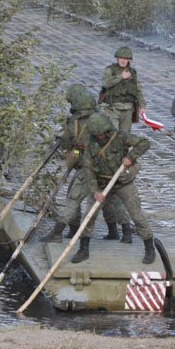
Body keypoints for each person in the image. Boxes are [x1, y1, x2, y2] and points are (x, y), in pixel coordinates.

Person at [46, 86, 133, 243]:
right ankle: (124, 231)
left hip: (87, 169)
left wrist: (74, 144)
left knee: (73, 198)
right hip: (108, 168)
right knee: (113, 200)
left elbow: (66, 145)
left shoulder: (74, 125)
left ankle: (59, 231)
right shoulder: (103, 120)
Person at [74, 113, 156, 264]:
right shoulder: (89, 144)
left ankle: (149, 248)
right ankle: (83, 249)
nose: (99, 137)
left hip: (122, 183)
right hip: (101, 184)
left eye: (101, 134)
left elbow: (144, 143)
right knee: (89, 216)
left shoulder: (120, 137)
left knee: (136, 214)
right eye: (96, 134)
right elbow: (88, 170)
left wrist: (130, 157)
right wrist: (95, 191)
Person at [99, 46, 145, 133]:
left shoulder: (133, 72)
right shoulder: (110, 70)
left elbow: (138, 90)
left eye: (126, 58)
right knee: (113, 134)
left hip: (128, 109)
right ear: (117, 58)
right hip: (113, 108)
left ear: (129, 60)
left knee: (125, 136)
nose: (123, 61)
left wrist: (142, 106)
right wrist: (121, 77)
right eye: (121, 58)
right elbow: (106, 83)